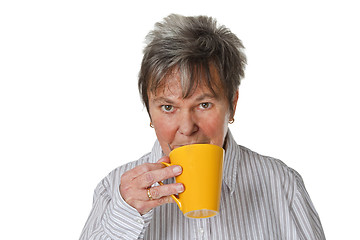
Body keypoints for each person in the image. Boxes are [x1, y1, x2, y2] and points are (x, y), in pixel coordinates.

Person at [80, 14, 325, 240]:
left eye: (204, 104)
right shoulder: (114, 190)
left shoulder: (282, 183)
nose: (186, 128)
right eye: (167, 107)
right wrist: (123, 217)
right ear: (149, 112)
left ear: (232, 104)